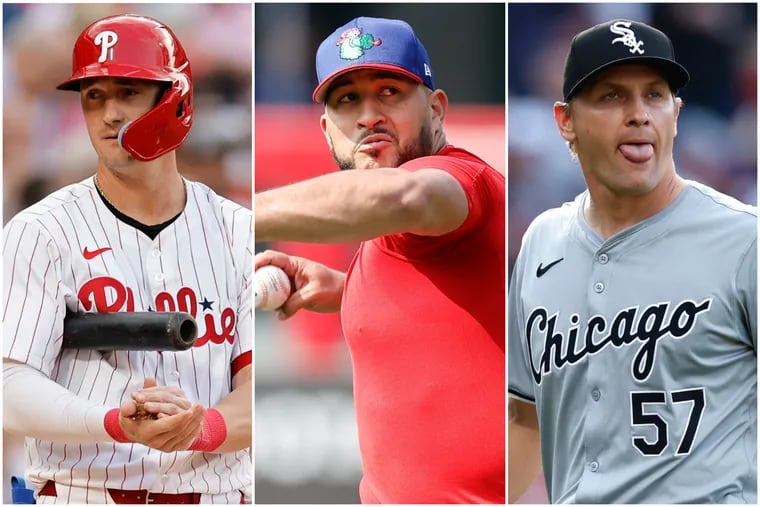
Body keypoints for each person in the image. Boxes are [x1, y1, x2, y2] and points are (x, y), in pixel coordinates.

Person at [2, 14, 252, 504]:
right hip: (85, 491)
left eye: (129, 92)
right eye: (94, 95)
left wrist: (201, 427)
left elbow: (258, 390)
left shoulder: (236, 229)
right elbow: (9, 387)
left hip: (217, 493)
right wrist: (114, 423)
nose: (110, 113)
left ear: (174, 98)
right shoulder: (40, 231)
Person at [255, 16, 505, 504]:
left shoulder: (459, 179)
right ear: (327, 130)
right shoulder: (382, 239)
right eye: (347, 100)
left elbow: (406, 197)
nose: (368, 115)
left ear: (436, 109)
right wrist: (349, 289)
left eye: (389, 91)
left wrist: (234, 218)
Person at [508, 19, 757, 503]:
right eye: (612, 96)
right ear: (565, 121)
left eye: (655, 95)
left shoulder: (745, 240)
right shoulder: (542, 242)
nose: (639, 114)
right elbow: (528, 419)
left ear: (676, 113)